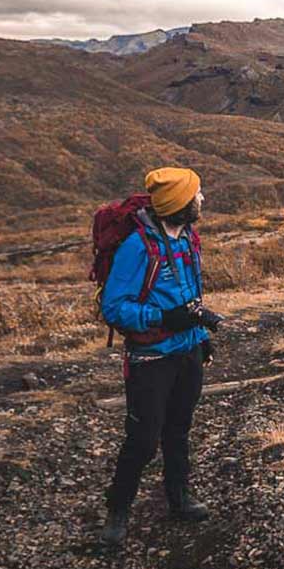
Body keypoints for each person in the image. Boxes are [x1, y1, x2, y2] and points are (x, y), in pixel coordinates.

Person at [99, 167, 222, 547]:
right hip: (151, 358)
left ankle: (179, 499)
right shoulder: (138, 247)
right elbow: (113, 307)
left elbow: (190, 297)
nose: (202, 200)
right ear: (180, 204)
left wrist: (200, 334)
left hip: (187, 351)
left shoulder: (188, 238)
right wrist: (163, 318)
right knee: (142, 439)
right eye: (196, 195)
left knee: (179, 429)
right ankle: (117, 513)